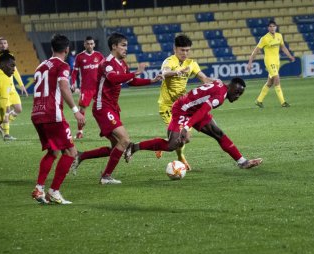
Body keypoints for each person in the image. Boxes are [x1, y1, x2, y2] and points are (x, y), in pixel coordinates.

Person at [70, 32, 162, 185]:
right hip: (102, 107)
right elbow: (113, 79)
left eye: (127, 46)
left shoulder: (122, 64)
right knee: (125, 140)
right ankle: (106, 176)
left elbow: (131, 82)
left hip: (112, 108)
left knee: (117, 147)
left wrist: (151, 80)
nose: (126, 49)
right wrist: (135, 72)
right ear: (114, 46)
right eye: (123, 45)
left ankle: (81, 156)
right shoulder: (106, 63)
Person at [124, 78, 263, 170]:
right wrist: (186, 126)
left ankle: (242, 162)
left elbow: (202, 105)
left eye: (241, 94)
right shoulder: (220, 97)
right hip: (183, 110)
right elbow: (203, 110)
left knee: (218, 133)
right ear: (231, 87)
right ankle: (134, 147)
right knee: (172, 145)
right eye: (237, 92)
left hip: (194, 109)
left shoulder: (220, 84)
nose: (237, 96)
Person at [31, 34, 85, 204]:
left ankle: (39, 189)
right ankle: (54, 191)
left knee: (53, 151)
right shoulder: (63, 65)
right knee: (71, 152)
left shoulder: (40, 66)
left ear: (52, 48)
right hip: (52, 115)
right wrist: (76, 110)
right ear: (67, 49)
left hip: (37, 114)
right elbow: (63, 86)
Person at [156, 34, 214, 170]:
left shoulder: (191, 63)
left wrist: (219, 84)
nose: (185, 53)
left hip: (183, 106)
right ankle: (180, 157)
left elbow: (204, 79)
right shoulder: (169, 61)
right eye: (182, 50)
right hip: (167, 106)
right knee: (178, 137)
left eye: (187, 50)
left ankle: (161, 144)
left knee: (185, 138)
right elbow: (165, 73)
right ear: (175, 49)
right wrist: (178, 72)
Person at [247, 20, 295, 108]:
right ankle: (283, 102)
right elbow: (255, 51)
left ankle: (259, 100)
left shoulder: (279, 36)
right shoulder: (264, 38)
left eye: (274, 26)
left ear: (276, 27)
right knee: (276, 78)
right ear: (268, 28)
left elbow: (283, 47)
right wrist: (250, 63)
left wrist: (290, 56)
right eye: (270, 26)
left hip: (277, 61)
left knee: (270, 82)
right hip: (269, 61)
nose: (272, 28)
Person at [0, 37, 28, 140]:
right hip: (3, 87)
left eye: (5, 43)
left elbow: (15, 70)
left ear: (7, 45)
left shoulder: (11, 56)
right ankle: (6, 134)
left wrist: (21, 85)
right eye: (1, 43)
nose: (3, 45)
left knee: (18, 109)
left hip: (12, 88)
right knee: (7, 110)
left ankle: (1, 125)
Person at [70, 36, 104, 139]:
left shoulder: (99, 56)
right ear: (84, 44)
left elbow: (105, 69)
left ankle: (105, 129)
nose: (89, 45)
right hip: (86, 89)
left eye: (91, 43)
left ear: (94, 44)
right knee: (82, 110)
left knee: (103, 109)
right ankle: (80, 131)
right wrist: (73, 83)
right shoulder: (80, 57)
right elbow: (74, 72)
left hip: (99, 88)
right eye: (87, 44)